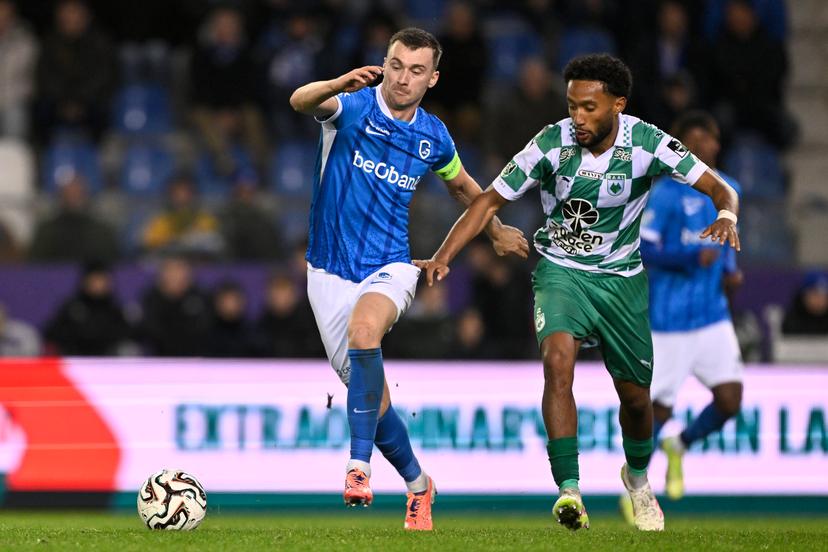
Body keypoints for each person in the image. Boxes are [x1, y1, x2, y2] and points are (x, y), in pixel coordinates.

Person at [416, 54, 740, 532]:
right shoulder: (551, 142)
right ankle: (569, 490)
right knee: (557, 361)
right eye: (572, 106)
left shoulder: (648, 143)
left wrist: (727, 215)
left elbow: (719, 188)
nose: (578, 118)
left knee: (635, 400)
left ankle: (637, 478)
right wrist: (446, 253)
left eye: (589, 108)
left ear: (618, 105)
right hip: (561, 272)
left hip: (622, 279)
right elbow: (487, 199)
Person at [288, 27, 528, 530]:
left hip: (393, 265)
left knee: (364, 333)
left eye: (416, 70)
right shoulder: (352, 106)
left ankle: (357, 470)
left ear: (432, 78)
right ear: (385, 62)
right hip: (327, 271)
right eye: (396, 65)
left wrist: (498, 231)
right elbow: (298, 100)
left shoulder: (434, 136)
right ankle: (420, 486)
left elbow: (465, 188)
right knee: (374, 404)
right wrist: (335, 83)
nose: (403, 78)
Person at [635, 111, 744, 509]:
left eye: (709, 137)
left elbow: (727, 242)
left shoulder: (730, 188)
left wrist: (731, 272)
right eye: (693, 139)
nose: (703, 145)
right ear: (680, 147)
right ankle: (637, 485)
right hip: (669, 320)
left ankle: (680, 445)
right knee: (659, 406)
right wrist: (687, 256)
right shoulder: (663, 193)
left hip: (713, 316)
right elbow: (644, 249)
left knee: (730, 400)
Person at [43, 260, 131, 356]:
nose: (98, 284)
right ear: (85, 281)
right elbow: (52, 332)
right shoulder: (73, 307)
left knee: (127, 350)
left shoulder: (114, 309)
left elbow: (125, 334)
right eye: (94, 280)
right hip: (76, 358)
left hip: (107, 361)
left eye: (102, 280)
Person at [782, 270, 828, 335]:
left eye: (824, 296)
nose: (820, 300)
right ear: (804, 295)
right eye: (815, 294)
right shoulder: (792, 321)